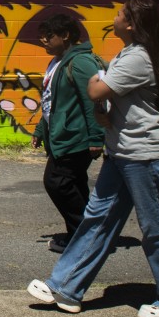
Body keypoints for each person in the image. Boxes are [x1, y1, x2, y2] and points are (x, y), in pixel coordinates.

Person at [27, 0, 159, 317]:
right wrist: (102, 102)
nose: (113, 16)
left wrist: (99, 92)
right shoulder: (126, 54)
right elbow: (102, 96)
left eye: (119, 13)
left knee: (157, 227)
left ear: (130, 24)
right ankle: (66, 287)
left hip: (144, 155)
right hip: (121, 153)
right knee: (97, 219)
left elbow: (96, 91)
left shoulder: (138, 59)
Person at [30, 13, 104, 253]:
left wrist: (96, 138)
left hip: (76, 138)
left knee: (57, 182)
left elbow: (92, 101)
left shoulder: (80, 62)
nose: (43, 40)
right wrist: (41, 129)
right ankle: (85, 234)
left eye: (49, 35)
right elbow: (52, 102)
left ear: (66, 35)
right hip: (62, 137)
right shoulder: (57, 62)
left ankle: (81, 237)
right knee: (74, 184)